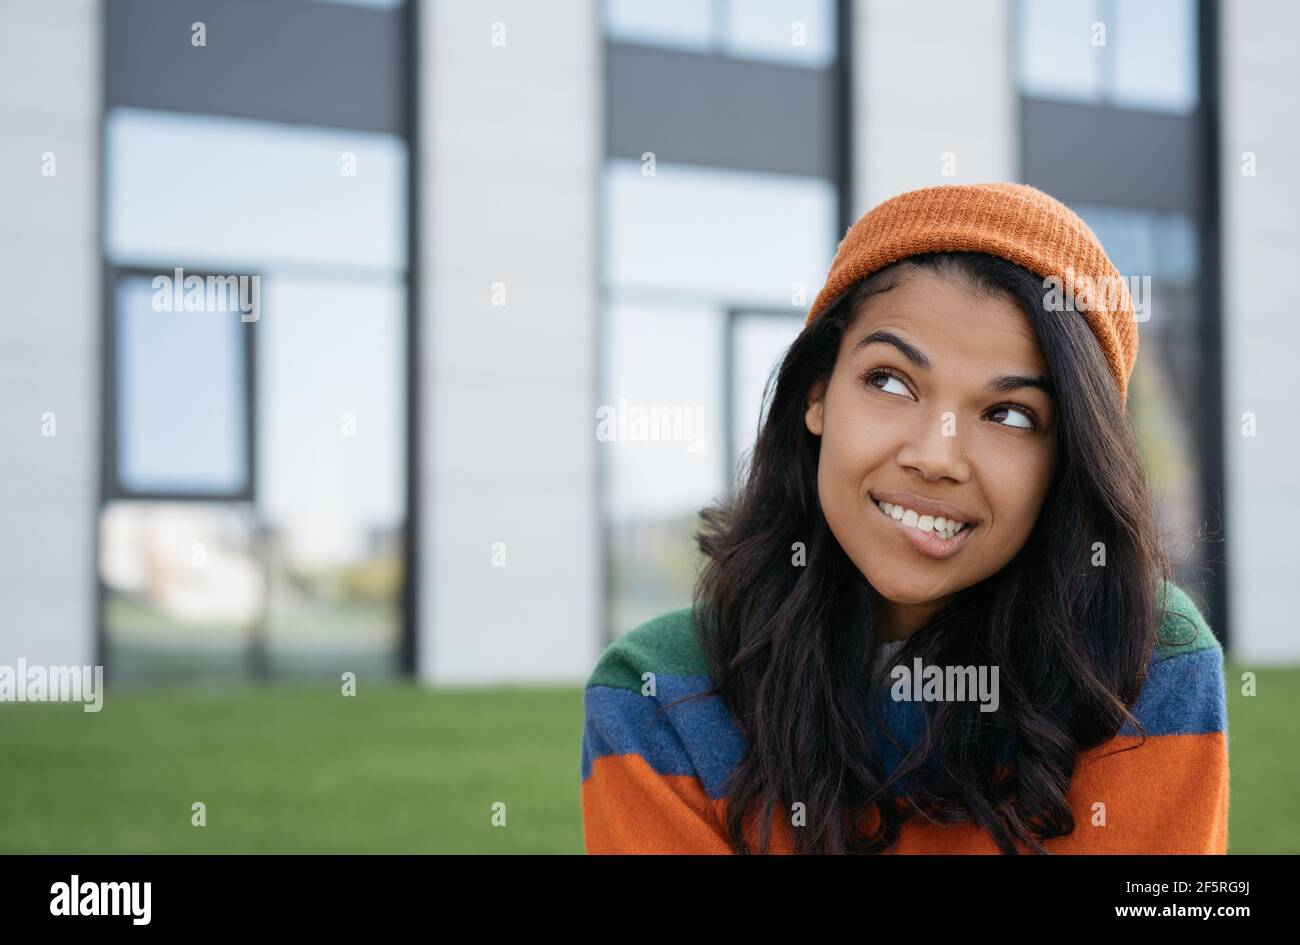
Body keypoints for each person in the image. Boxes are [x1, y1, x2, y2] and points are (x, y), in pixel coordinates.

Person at [580, 183, 1229, 854]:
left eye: (1008, 414)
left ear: (1067, 462)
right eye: (890, 381)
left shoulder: (1146, 661)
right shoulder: (658, 692)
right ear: (817, 394)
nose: (935, 456)